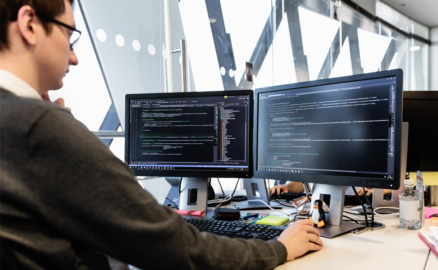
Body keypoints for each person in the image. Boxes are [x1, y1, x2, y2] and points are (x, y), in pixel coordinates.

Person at [0, 0, 323, 269]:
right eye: (70, 36)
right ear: (29, 24)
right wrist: (280, 248)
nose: (74, 56)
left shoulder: (23, 123)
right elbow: (176, 249)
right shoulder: (40, 128)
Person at [270, 182, 373, 197]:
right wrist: (287, 187)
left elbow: (388, 185)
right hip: (321, 207)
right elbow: (304, 181)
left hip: (357, 206)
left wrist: (380, 192)